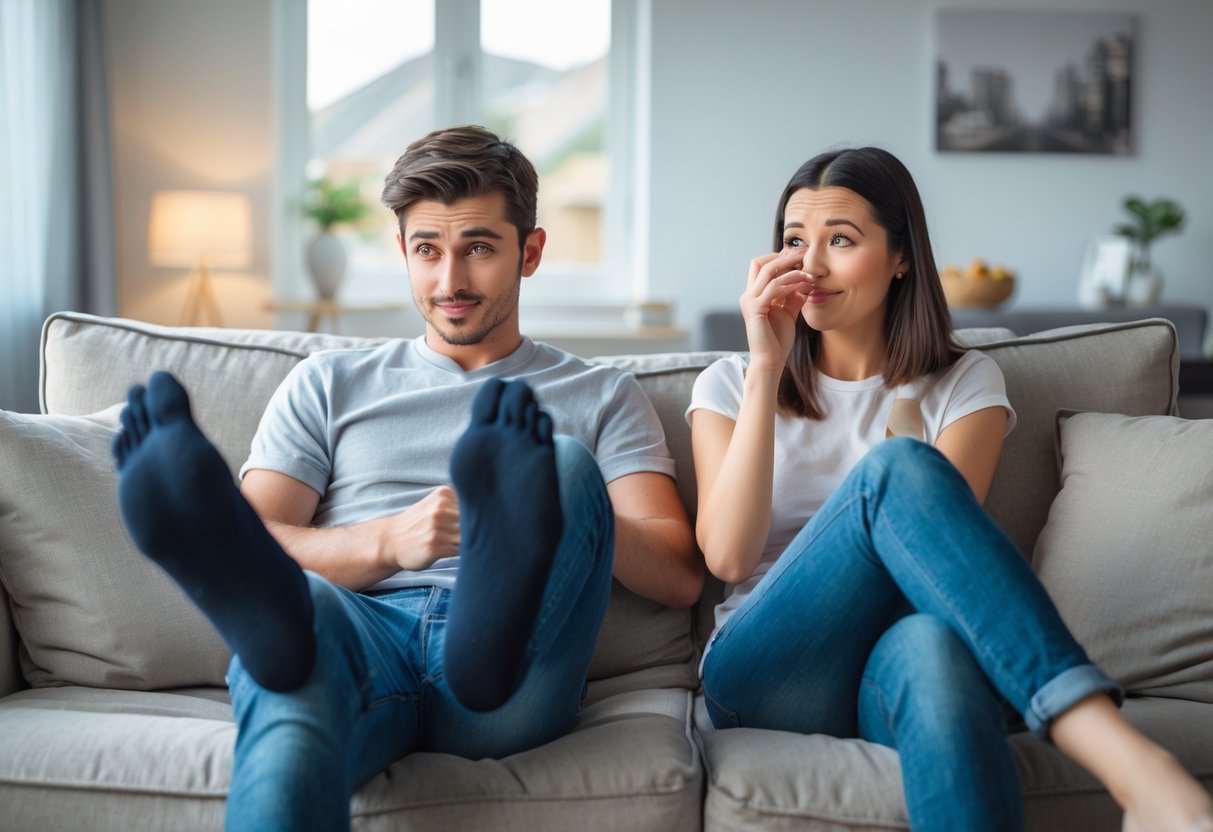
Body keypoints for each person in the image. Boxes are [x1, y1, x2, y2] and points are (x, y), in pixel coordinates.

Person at [111, 125, 702, 832]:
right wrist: (389, 542)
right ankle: (282, 631)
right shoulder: (327, 383)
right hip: (359, 634)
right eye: (428, 250)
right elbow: (261, 532)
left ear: (531, 252)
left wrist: (544, 511)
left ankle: (487, 629)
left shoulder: (601, 393)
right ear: (402, 252)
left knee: (563, 465)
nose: (449, 281)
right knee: (298, 654)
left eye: (478, 248)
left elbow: (679, 576)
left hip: (520, 664)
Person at [687, 146, 1213, 832]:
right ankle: (1129, 764)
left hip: (893, 664)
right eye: (793, 241)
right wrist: (765, 366)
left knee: (935, 649)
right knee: (896, 470)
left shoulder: (963, 385)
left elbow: (939, 573)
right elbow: (727, 559)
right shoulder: (728, 384)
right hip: (767, 671)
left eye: (840, 241)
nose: (808, 266)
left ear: (901, 257)